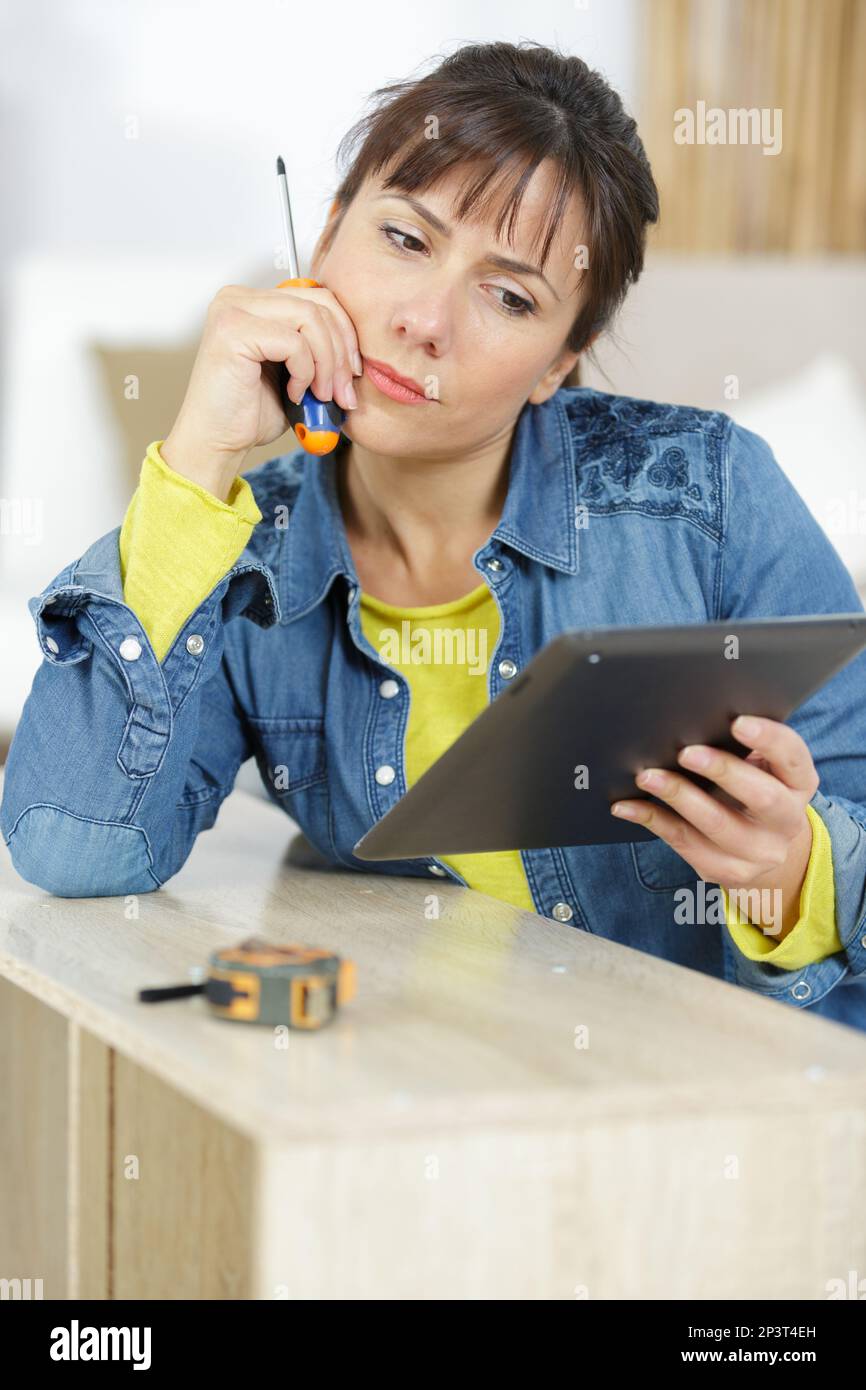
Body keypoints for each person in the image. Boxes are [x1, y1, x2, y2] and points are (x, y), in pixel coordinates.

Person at [3, 40, 866, 1031]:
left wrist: (791, 874)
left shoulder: (706, 498)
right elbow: (72, 848)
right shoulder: (247, 555)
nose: (425, 322)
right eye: (406, 240)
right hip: (422, 1089)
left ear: (557, 362)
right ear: (324, 240)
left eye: (508, 297)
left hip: (689, 1106)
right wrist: (198, 455)